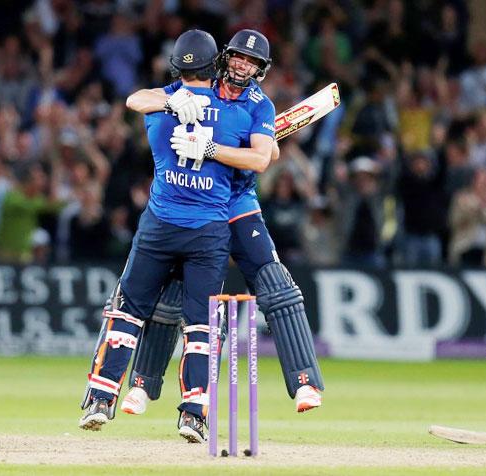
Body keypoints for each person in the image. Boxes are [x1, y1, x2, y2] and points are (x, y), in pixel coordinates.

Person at [119, 29, 324, 424]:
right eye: (238, 58)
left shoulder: (259, 105)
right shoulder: (197, 85)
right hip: (191, 205)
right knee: (171, 296)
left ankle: (304, 381)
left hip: (237, 204)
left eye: (252, 62)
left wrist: (224, 149)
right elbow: (138, 99)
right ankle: (142, 385)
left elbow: (263, 159)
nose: (242, 65)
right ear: (225, 58)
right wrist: (169, 98)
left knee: (275, 284)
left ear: (260, 70)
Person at [79, 30, 256, 443]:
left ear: (176, 68)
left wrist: (170, 99)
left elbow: (134, 98)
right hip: (208, 232)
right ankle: (193, 414)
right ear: (215, 66)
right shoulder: (235, 111)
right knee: (202, 325)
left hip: (159, 225)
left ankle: (100, 399)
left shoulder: (160, 105)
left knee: (128, 312)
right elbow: (265, 155)